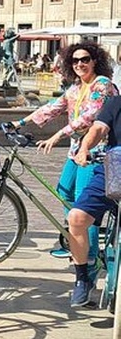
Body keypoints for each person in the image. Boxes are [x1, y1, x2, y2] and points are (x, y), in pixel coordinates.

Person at [7, 41, 116, 262]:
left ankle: (90, 257)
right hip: (76, 150)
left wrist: (58, 136)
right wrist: (19, 122)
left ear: (95, 61)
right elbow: (53, 107)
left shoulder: (102, 85)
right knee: (64, 191)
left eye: (85, 59)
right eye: (75, 60)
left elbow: (90, 117)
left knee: (83, 204)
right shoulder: (76, 88)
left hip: (95, 151)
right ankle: (74, 240)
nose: (80, 64)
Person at [70, 95, 121, 306]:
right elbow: (97, 129)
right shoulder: (115, 103)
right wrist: (84, 149)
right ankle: (83, 278)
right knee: (76, 218)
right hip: (115, 170)